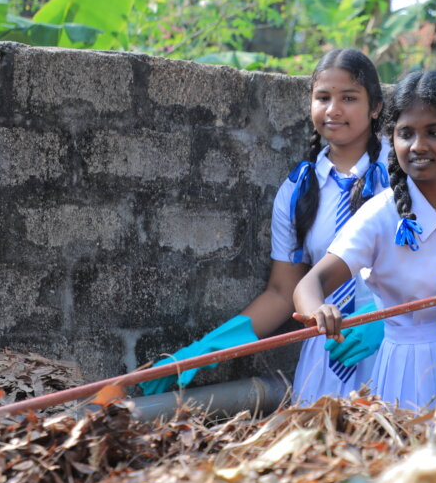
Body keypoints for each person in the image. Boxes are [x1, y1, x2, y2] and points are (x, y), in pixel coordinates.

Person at [140, 49, 390, 399]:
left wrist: (385, 317)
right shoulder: (298, 190)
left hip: (398, 346)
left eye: (349, 98)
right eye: (323, 98)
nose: (333, 110)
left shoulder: (403, 176)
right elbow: (283, 293)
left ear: (375, 107)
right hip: (326, 356)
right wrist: (202, 353)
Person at [293, 70, 436, 441]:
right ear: (391, 138)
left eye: (435, 132)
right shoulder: (381, 214)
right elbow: (310, 282)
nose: (418, 145)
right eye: (406, 133)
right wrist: (320, 309)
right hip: (409, 372)